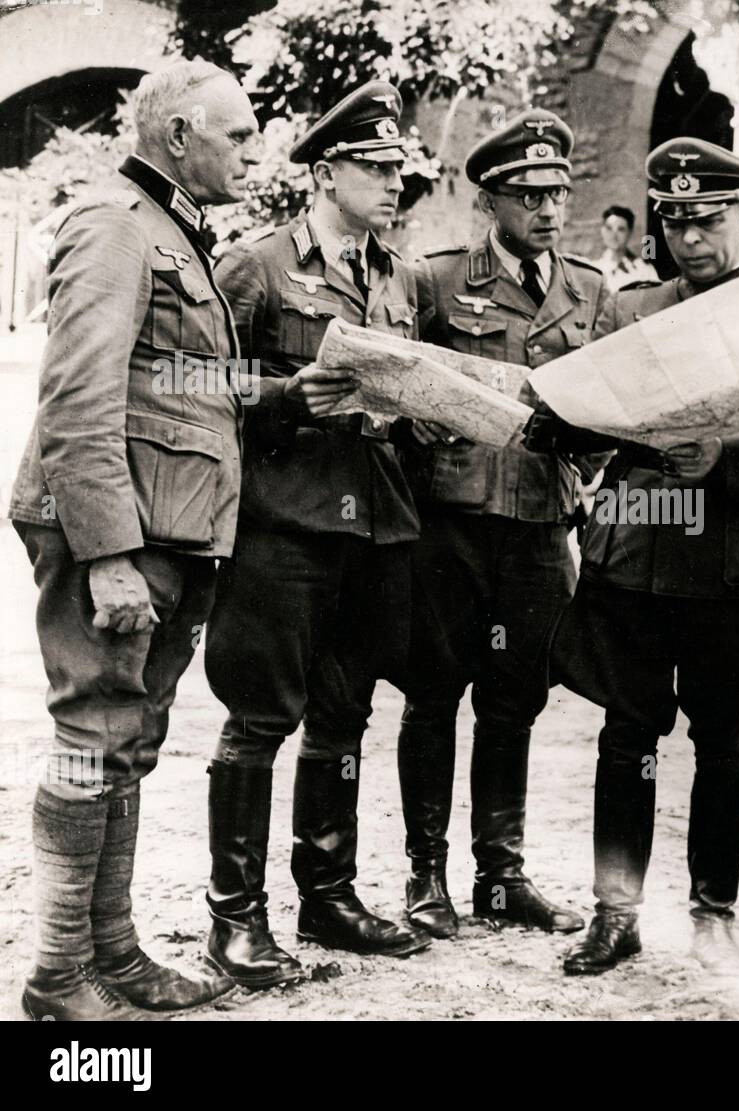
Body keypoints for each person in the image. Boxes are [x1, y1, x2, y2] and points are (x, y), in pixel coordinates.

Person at [525, 137, 739, 976]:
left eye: (707, 221)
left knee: (723, 733)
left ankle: (712, 913)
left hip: (738, 557)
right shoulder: (632, 307)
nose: (689, 239)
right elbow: (585, 415)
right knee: (627, 733)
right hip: (641, 554)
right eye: (674, 223)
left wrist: (728, 458)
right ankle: (614, 913)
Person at [5, 60, 260, 1020]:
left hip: (169, 525)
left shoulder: (174, 233)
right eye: (237, 135)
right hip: (120, 528)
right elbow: (76, 398)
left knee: (129, 740)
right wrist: (108, 553)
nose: (251, 152)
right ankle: (59, 976)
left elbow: (172, 385)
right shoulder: (115, 225)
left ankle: (113, 954)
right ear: (180, 136)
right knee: (92, 736)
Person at [203, 81, 431, 990]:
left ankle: (327, 894)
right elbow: (195, 386)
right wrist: (285, 399)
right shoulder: (254, 267)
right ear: (325, 173)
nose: (390, 186)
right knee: (260, 714)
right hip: (284, 523)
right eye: (372, 169)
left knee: (345, 712)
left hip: (374, 525)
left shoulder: (401, 276)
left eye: (397, 171)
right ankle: (235, 919)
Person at [396, 109, 606, 939]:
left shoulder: (591, 290)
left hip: (539, 526)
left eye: (558, 192)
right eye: (528, 195)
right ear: (490, 201)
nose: (549, 209)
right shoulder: (437, 279)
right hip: (452, 522)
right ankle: (424, 875)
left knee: (515, 699)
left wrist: (590, 463)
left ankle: (500, 874)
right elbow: (403, 392)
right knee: (433, 695)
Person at [594, 204, 658, 291]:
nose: (614, 235)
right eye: (609, 228)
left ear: (630, 232)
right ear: (602, 230)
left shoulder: (644, 269)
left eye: (621, 229)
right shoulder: (594, 269)